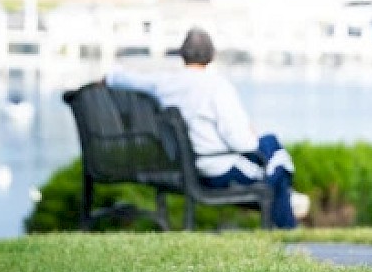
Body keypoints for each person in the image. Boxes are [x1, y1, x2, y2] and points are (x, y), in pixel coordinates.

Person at [106, 27, 303, 229]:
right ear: (212, 55)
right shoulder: (217, 86)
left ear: (182, 55)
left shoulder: (165, 83)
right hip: (217, 168)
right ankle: (289, 229)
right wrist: (251, 133)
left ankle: (287, 213)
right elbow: (242, 142)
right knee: (276, 159)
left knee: (272, 154)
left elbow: (125, 78)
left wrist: (107, 79)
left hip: (187, 166)